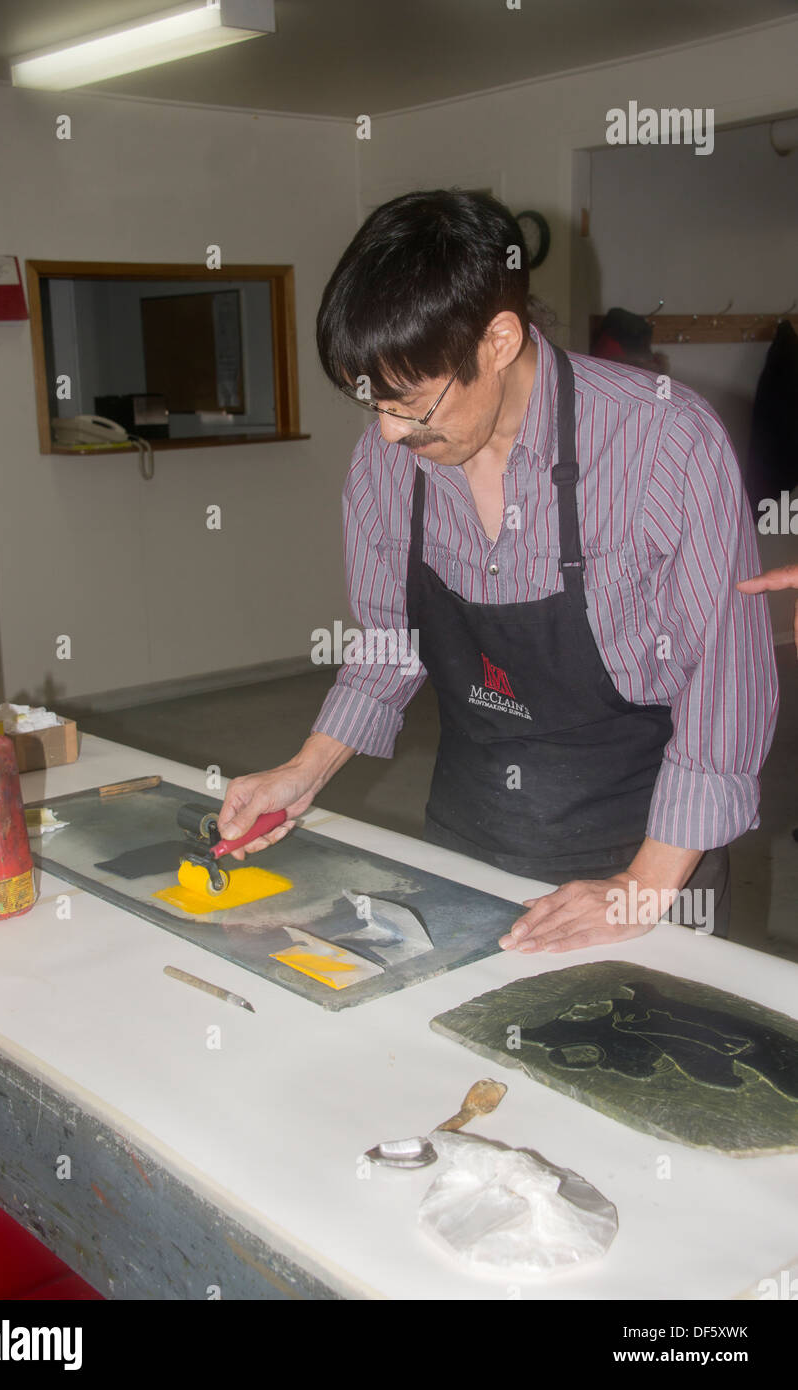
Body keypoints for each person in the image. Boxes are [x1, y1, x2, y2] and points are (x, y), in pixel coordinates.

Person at [217, 190, 778, 952]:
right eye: (370, 401)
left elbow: (726, 684)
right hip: (464, 835)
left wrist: (639, 890)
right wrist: (304, 771)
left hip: (644, 858)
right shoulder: (389, 463)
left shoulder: (664, 441)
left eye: (409, 401)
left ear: (499, 339)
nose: (385, 434)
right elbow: (388, 641)